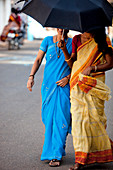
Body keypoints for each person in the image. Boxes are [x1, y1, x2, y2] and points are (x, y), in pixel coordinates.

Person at [58, 27, 113, 170]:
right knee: (78, 122)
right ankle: (80, 160)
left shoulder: (103, 39)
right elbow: (73, 63)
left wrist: (93, 68)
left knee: (94, 119)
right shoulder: (77, 39)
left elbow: (110, 63)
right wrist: (64, 49)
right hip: (77, 84)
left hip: (94, 84)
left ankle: (98, 152)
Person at [27, 28, 72, 167]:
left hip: (63, 86)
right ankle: (55, 148)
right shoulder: (47, 41)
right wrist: (31, 76)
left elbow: (75, 65)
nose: (60, 29)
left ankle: (56, 155)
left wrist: (68, 78)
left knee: (61, 119)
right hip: (48, 86)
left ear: (68, 27)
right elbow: (39, 59)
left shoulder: (73, 43)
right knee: (49, 120)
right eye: (58, 26)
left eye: (63, 26)